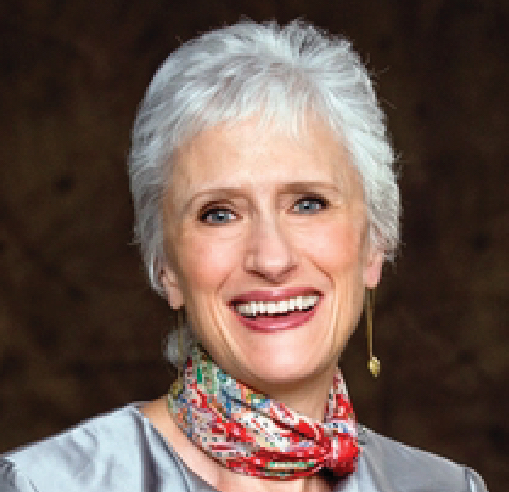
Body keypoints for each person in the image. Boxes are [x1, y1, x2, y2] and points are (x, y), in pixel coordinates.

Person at [0, 19, 488, 492]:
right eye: (219, 214)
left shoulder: (446, 488)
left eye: (308, 204)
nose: (271, 260)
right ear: (166, 267)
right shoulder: (45, 485)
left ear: (374, 242)